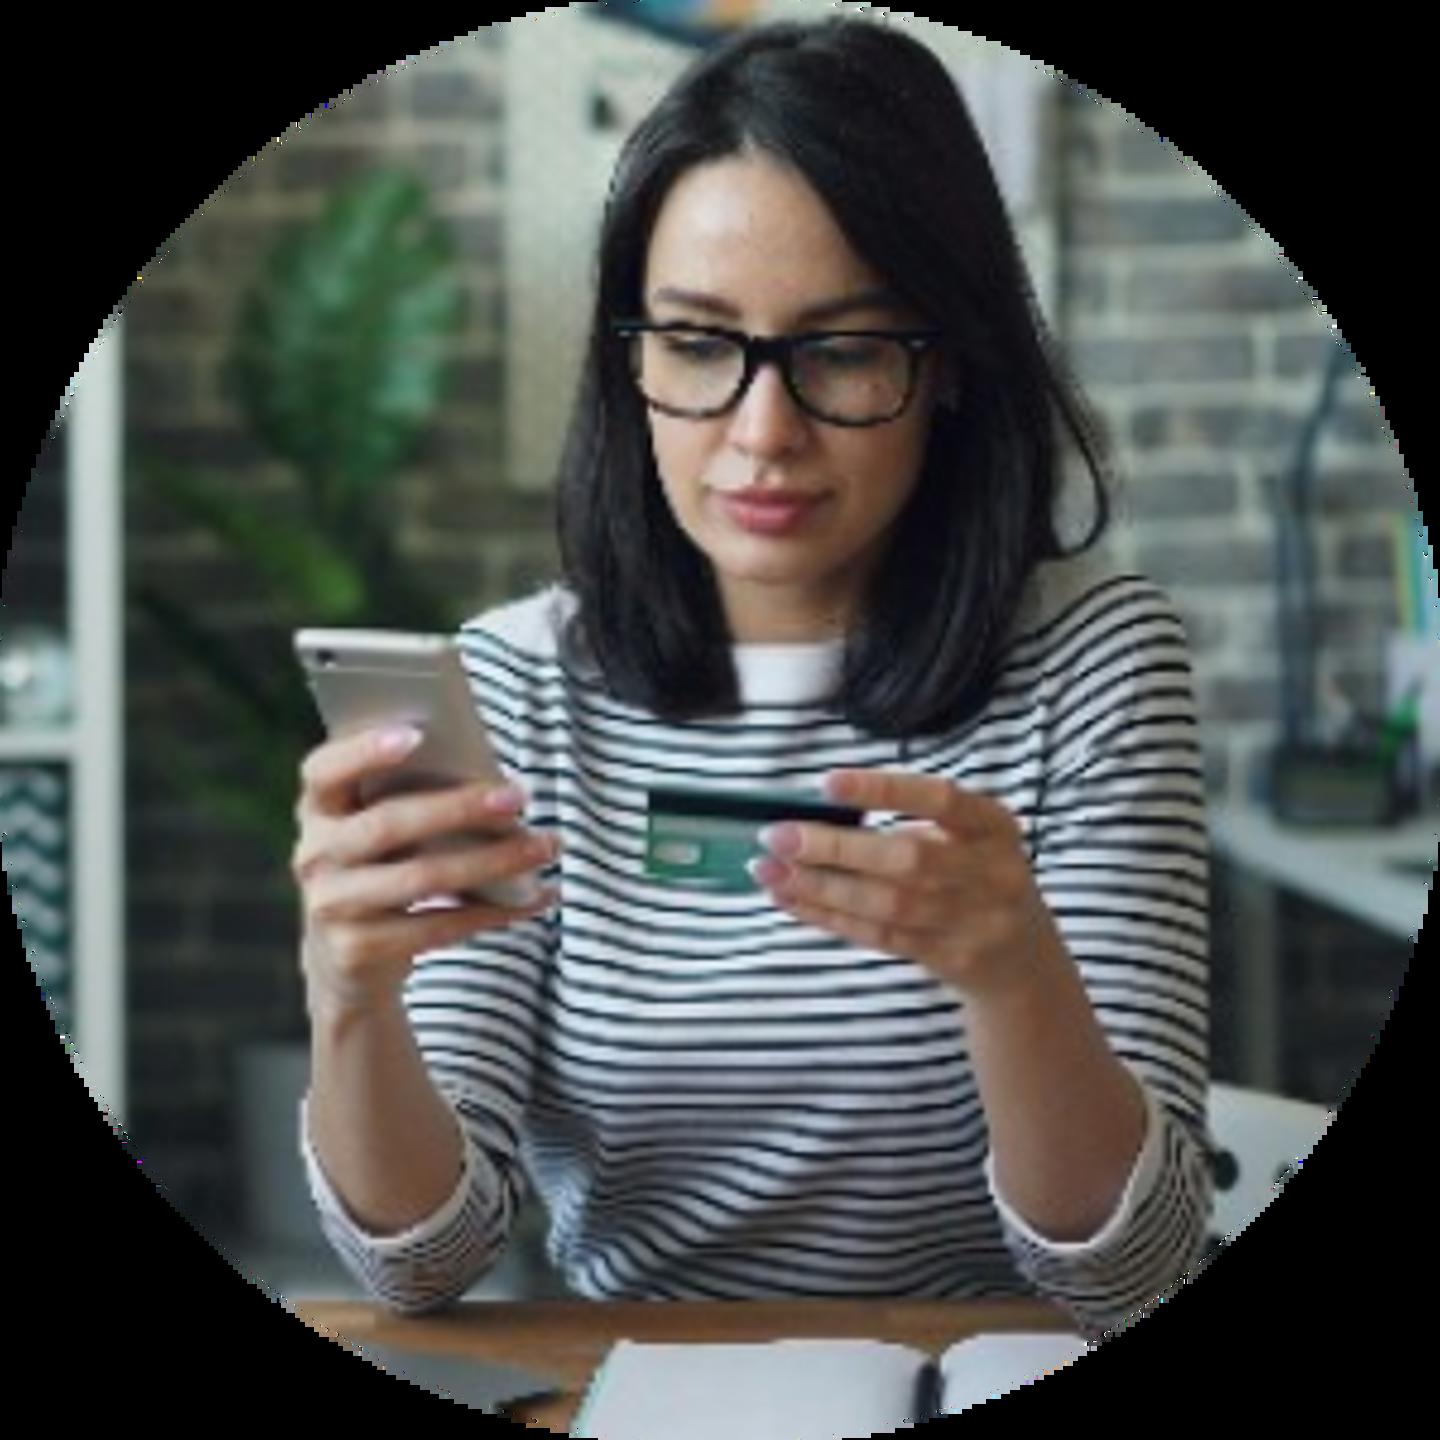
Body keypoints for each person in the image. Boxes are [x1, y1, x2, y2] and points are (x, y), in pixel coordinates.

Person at [292, 15, 1212, 1339]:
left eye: (841, 350)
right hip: (635, 1385)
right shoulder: (516, 685)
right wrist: (349, 992)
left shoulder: (1096, 662)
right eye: (699, 344)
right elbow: (420, 1270)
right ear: (631, 361)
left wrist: (1014, 977)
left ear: (945, 364)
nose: (761, 433)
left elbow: (1133, 1271)